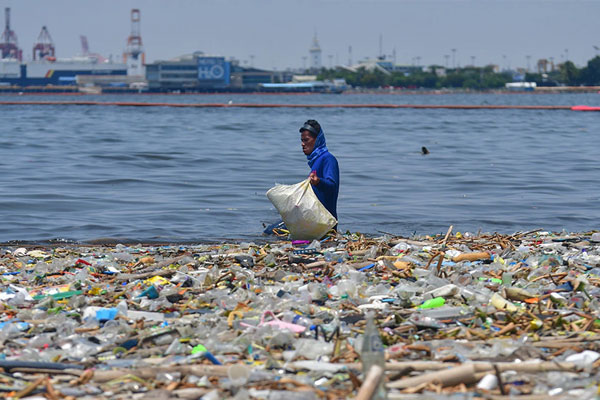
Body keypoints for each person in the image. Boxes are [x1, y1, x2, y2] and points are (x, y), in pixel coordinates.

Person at [300, 119, 340, 223]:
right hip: (313, 220)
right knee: (271, 230)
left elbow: (332, 186)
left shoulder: (328, 159)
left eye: (306, 140)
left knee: (270, 232)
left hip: (325, 224)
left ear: (317, 140)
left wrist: (319, 182)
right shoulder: (316, 161)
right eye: (302, 140)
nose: (302, 144)